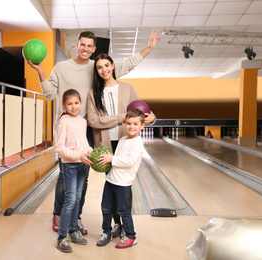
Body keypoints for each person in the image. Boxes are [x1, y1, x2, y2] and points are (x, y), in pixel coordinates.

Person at [28, 29, 162, 234]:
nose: (85, 49)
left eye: (89, 46)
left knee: (84, 179)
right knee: (66, 177)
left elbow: (125, 64)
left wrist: (149, 48)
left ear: (94, 49)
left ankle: (76, 218)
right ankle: (58, 215)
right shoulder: (62, 67)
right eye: (82, 44)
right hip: (71, 129)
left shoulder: (97, 67)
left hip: (93, 130)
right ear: (77, 45)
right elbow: (50, 94)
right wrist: (40, 72)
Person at [87, 53, 155, 239]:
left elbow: (141, 111)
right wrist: (121, 117)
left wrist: (153, 117)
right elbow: (93, 121)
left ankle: (123, 225)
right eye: (99, 67)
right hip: (106, 144)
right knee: (111, 182)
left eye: (106, 65)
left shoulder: (127, 88)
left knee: (124, 184)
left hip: (126, 140)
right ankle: (117, 224)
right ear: (96, 70)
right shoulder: (93, 93)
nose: (104, 70)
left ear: (113, 65)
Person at [96, 109, 146, 248]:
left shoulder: (137, 143)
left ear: (142, 126)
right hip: (110, 180)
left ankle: (131, 236)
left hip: (123, 184)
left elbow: (129, 161)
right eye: (129, 123)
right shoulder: (123, 139)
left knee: (123, 211)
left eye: (135, 124)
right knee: (105, 208)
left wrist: (111, 159)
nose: (131, 126)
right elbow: (116, 160)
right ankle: (106, 233)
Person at [54, 89, 93, 253]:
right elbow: (60, 148)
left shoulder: (82, 121)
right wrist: (78, 155)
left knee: (77, 198)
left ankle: (73, 231)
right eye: (69, 104)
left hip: (82, 164)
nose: (73, 106)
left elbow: (82, 143)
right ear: (64, 105)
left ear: (81, 103)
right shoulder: (64, 122)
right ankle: (62, 238)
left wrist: (92, 151)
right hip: (70, 165)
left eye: (76, 103)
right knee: (70, 199)